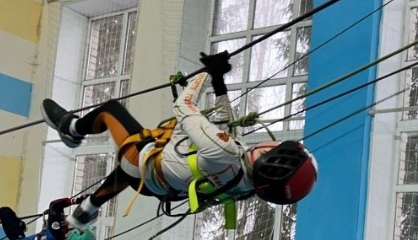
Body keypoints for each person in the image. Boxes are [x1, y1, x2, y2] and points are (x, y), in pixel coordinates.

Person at [39, 53, 317, 230]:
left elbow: (184, 106)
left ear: (270, 153)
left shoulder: (225, 152)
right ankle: (86, 211)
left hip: (142, 164)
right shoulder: (247, 185)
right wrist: (218, 82)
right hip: (157, 188)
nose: (271, 143)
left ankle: (71, 130)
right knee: (130, 169)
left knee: (110, 111)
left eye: (275, 147)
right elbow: (224, 130)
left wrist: (205, 73)